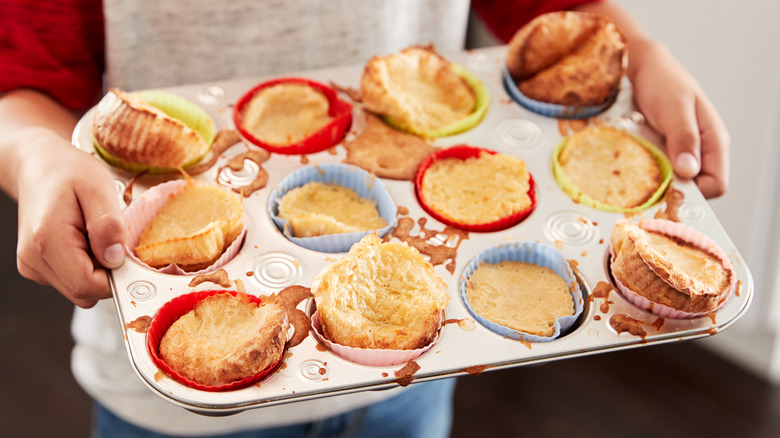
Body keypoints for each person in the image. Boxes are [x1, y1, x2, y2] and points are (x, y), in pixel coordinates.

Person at [0, 0, 730, 436]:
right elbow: (25, 79)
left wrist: (635, 51)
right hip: (171, 413)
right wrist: (35, 152)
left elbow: (558, 22)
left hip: (409, 383)